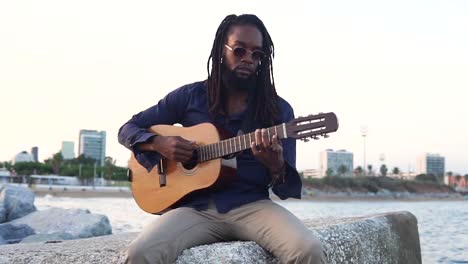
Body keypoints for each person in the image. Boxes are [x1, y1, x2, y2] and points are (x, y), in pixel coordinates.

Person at [118, 14, 327, 264]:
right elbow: (128, 128)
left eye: (257, 54)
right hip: (195, 210)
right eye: (239, 50)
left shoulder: (278, 112)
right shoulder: (190, 96)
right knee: (138, 254)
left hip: (252, 206)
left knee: (308, 249)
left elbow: (285, 188)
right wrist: (158, 143)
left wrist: (275, 165)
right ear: (221, 50)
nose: (248, 59)